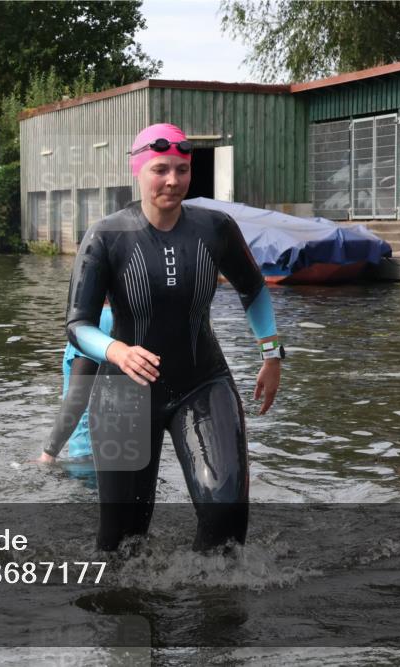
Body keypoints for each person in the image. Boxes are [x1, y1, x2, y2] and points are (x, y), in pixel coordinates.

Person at [66, 123, 283, 552]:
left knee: (226, 516)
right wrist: (117, 351)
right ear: (138, 172)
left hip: (202, 383)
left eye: (182, 170)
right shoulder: (107, 235)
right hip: (125, 393)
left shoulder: (214, 228)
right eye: (161, 169)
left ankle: (214, 607)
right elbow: (77, 325)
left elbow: (254, 289)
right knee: (122, 539)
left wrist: (271, 354)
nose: (172, 180)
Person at [38, 303, 113, 464]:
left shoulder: (93, 323)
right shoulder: (133, 321)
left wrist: (48, 454)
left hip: (88, 453)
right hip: (126, 446)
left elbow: (78, 395)